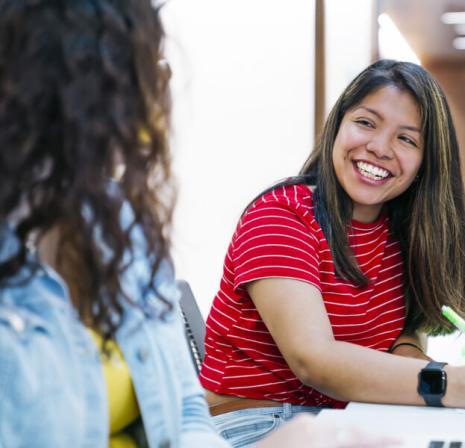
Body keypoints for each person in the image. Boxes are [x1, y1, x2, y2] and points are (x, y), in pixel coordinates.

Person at [0, 1, 402, 447]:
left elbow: (185, 416)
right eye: (142, 66)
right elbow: (315, 360)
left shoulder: (120, 228)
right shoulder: (282, 212)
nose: (163, 86)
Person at [200, 59, 465, 446]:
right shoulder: (280, 216)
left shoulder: (400, 229)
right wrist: (454, 383)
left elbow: (402, 338)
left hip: (348, 417)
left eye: (406, 139)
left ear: (425, 164)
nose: (379, 148)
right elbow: (313, 359)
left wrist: (446, 375)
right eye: (366, 123)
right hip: (253, 425)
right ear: (338, 126)